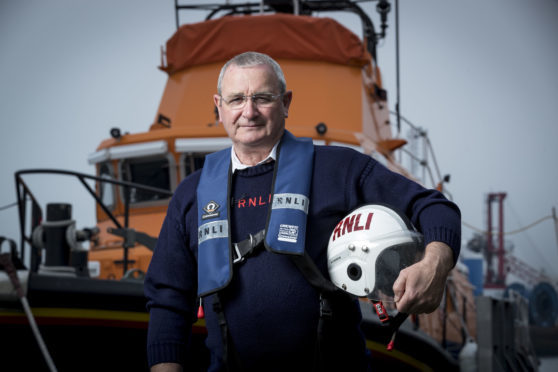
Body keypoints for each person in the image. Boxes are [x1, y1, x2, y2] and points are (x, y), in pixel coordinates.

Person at [144, 51, 461, 372]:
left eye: (263, 98)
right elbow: (168, 300)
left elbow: (433, 207)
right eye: (236, 99)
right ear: (219, 106)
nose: (249, 112)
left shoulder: (341, 169)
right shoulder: (191, 194)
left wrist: (434, 264)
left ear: (286, 102)